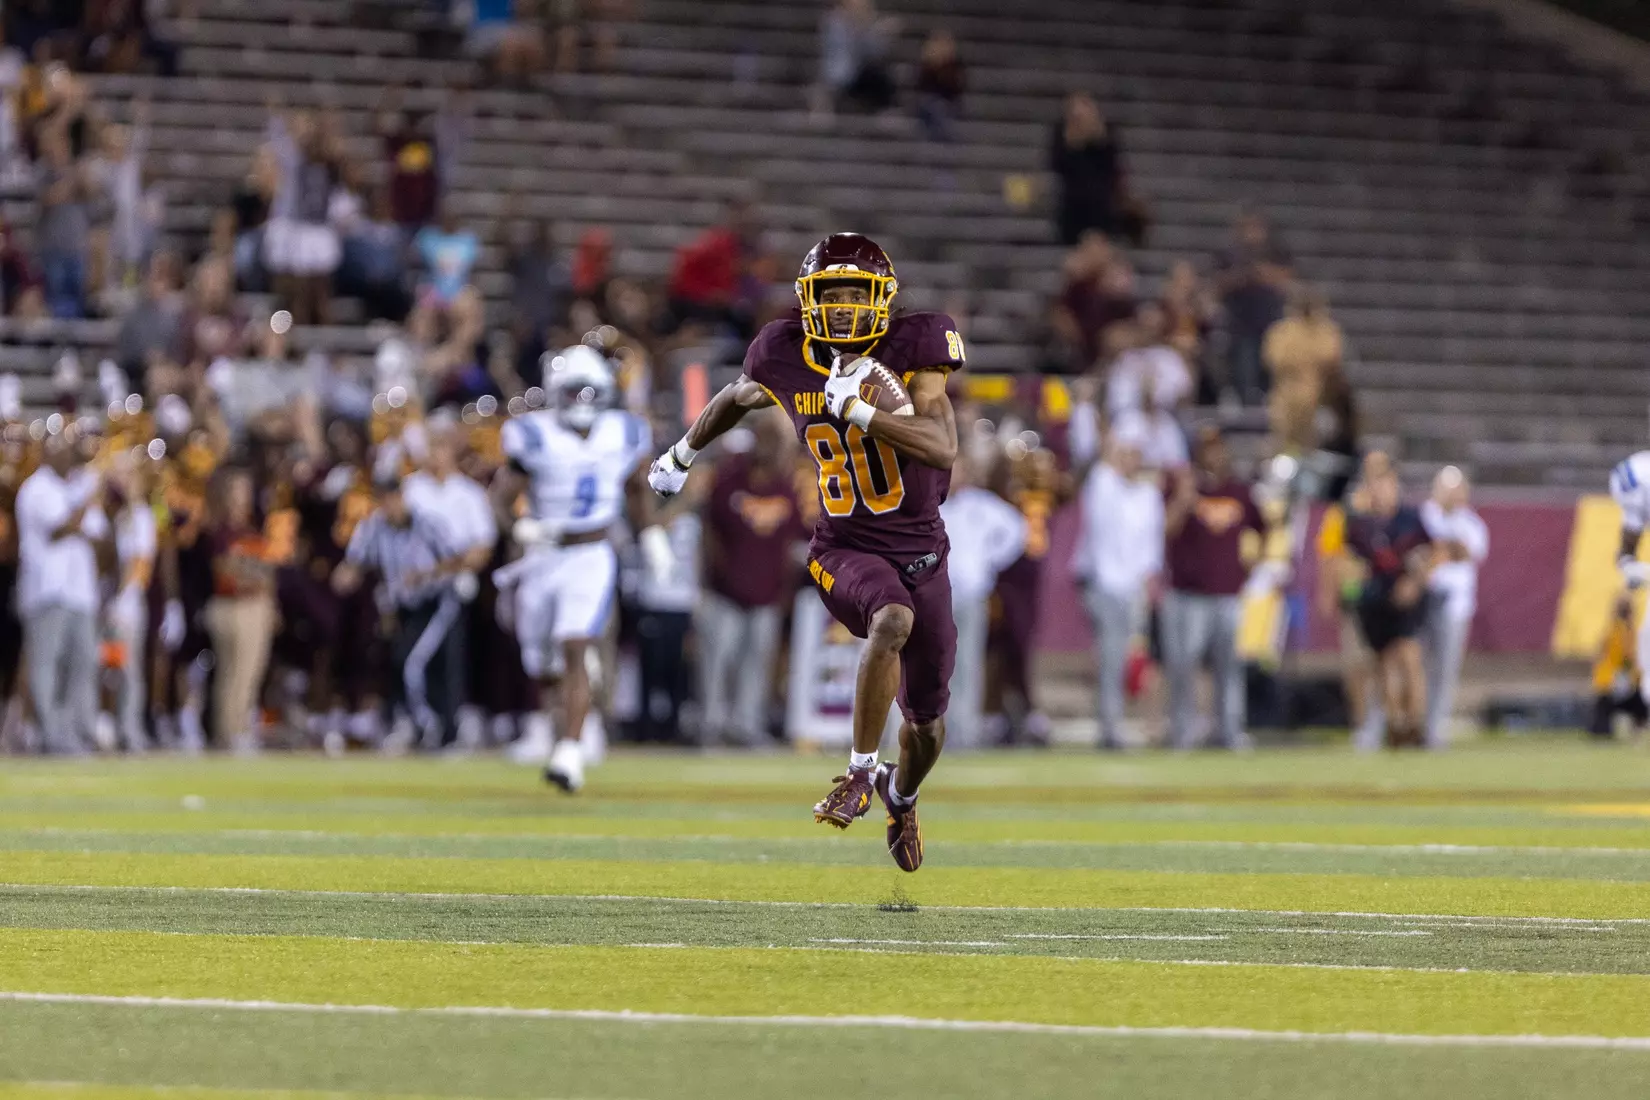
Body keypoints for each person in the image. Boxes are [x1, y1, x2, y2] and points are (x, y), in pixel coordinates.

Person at [648, 232, 966, 873]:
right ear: (809, 299)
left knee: (928, 726)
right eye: (834, 293)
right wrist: (682, 452)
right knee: (891, 621)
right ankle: (857, 772)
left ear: (881, 298)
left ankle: (899, 796)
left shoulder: (917, 345)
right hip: (843, 547)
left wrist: (862, 413)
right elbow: (736, 399)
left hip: (924, 552)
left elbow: (941, 445)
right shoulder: (783, 351)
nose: (846, 307)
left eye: (857, 293)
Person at [492, 345, 664, 790]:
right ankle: (563, 722)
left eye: (592, 392)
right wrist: (520, 527)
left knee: (574, 645)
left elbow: (634, 489)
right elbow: (500, 498)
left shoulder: (623, 433)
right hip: (543, 556)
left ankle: (569, 749)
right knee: (540, 656)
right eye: (575, 392)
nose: (583, 401)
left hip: (592, 553)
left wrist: (651, 536)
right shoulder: (534, 434)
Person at [697, 412, 807, 747]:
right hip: (724, 591)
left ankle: (747, 725)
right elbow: (708, 532)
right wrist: (711, 576)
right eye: (767, 438)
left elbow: (792, 543)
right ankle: (711, 726)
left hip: (767, 593)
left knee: (756, 665)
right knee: (718, 662)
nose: (770, 447)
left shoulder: (786, 488)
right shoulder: (729, 479)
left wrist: (784, 590)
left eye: (777, 441)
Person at [1161, 425, 1265, 750]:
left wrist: (1251, 567)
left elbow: (1262, 530)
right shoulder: (1181, 489)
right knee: (1184, 665)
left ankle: (1230, 731)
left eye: (1217, 448)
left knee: (1230, 668)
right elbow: (1164, 530)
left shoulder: (1239, 491)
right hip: (1190, 594)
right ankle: (1183, 730)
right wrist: (1183, 497)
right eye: (1207, 449)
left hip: (1228, 593)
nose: (1213, 455)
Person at [402, 420, 497, 749]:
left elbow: (481, 546)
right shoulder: (411, 489)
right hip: (411, 590)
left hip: (450, 589)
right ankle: (417, 722)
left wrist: (445, 567)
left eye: (441, 446)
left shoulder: (467, 493)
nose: (434, 454)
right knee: (409, 655)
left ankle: (449, 727)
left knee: (449, 659)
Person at [15, 430, 108, 754]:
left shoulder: (76, 486)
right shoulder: (35, 488)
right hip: (46, 590)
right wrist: (89, 500)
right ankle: (50, 735)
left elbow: (98, 538)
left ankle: (77, 731)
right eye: (61, 449)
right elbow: (60, 529)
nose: (68, 455)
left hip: (80, 591)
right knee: (45, 665)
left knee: (84, 662)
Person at [1071, 423, 1162, 750]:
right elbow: (1101, 470)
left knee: (1130, 661)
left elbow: (1150, 545)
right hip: (1104, 584)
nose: (1130, 461)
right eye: (1125, 454)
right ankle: (1110, 727)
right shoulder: (1103, 484)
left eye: (1135, 455)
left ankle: (1126, 723)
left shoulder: (1147, 495)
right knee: (1111, 657)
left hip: (1132, 588)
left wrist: (1149, 584)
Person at [938, 452, 1025, 749]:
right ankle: (936, 731)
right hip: (936, 596)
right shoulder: (929, 504)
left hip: (972, 595)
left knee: (968, 663)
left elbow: (1017, 530)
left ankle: (965, 731)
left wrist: (988, 562)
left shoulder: (982, 504)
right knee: (937, 666)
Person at [1344, 464, 1435, 748]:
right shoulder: (1359, 523)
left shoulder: (1410, 517)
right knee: (1382, 663)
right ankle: (1394, 723)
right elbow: (1350, 561)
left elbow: (1429, 554)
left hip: (1406, 595)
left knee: (1409, 656)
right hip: (1375, 599)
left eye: (1384, 484)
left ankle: (1415, 723)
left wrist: (1414, 583)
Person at [204, 466, 287, 753]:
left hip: (256, 606)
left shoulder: (252, 530)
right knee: (234, 672)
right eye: (238, 491)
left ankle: (238, 727)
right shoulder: (220, 531)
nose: (243, 497)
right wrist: (255, 572)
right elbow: (227, 570)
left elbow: (269, 572)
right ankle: (229, 731)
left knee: (251, 672)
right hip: (232, 605)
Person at [1419, 466, 1487, 749]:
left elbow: (1467, 553)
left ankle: (1435, 729)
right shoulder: (1423, 516)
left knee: (1445, 670)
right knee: (1416, 667)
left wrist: (1442, 545)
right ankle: (1411, 725)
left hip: (1455, 605)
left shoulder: (1470, 523)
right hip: (1422, 602)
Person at [1213, 212, 1293, 406]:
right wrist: (1243, 277)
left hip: (1270, 322)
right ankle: (1246, 407)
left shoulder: (1274, 252)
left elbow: (1287, 281)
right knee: (1244, 371)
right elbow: (1218, 284)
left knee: (1271, 371)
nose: (1253, 234)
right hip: (1242, 324)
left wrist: (1264, 274)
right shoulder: (1231, 255)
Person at [1263, 286, 1344, 453]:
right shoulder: (1282, 332)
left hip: (1318, 397)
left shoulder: (1326, 331)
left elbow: (1332, 360)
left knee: (1312, 446)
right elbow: (1273, 359)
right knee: (1283, 443)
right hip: (1286, 397)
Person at [1050, 92, 1125, 247]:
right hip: (1072, 208)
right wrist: (1073, 141)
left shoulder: (1106, 136)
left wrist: (1096, 136)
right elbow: (1056, 164)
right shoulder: (1061, 135)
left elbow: (1113, 166)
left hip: (1100, 206)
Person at [817, 0, 898, 116]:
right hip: (845, 74)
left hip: (843, 72)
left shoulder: (839, 21)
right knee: (878, 75)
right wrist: (883, 31)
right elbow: (869, 50)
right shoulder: (841, 23)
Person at [913, 29, 965, 141]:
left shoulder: (955, 65)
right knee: (933, 107)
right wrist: (933, 66)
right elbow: (920, 85)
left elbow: (956, 88)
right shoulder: (925, 65)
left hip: (949, 103)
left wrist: (944, 68)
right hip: (927, 103)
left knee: (941, 110)